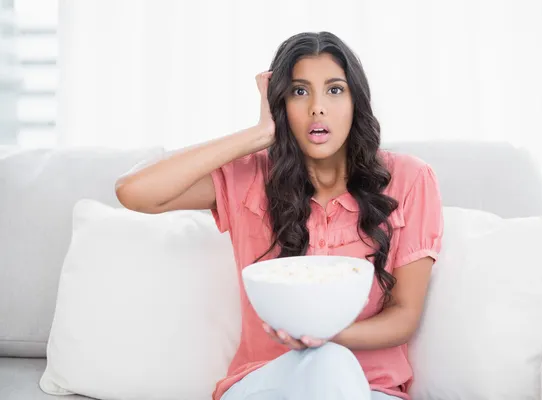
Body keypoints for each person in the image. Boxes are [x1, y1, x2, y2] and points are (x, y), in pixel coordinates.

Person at [116, 31, 443, 400]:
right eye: (299, 92)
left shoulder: (410, 179)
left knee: (331, 362)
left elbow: (405, 316)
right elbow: (134, 192)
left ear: (356, 101)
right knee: (326, 365)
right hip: (267, 384)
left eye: (334, 90)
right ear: (280, 104)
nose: (317, 107)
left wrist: (326, 337)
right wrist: (257, 135)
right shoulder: (250, 176)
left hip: (371, 390)